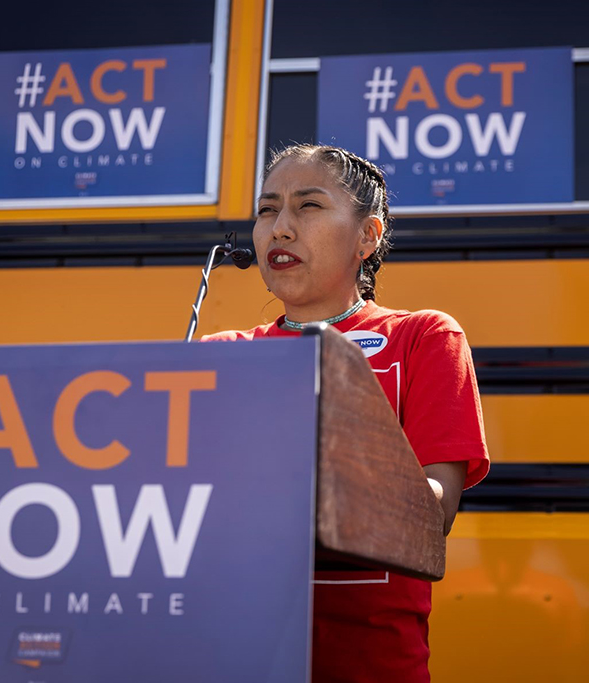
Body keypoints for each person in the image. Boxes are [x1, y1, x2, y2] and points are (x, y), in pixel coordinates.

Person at [203, 144, 489, 682]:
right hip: (233, 658)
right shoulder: (221, 351)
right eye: (267, 210)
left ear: (368, 237)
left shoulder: (424, 337)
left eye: (308, 206)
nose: (280, 229)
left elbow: (435, 516)